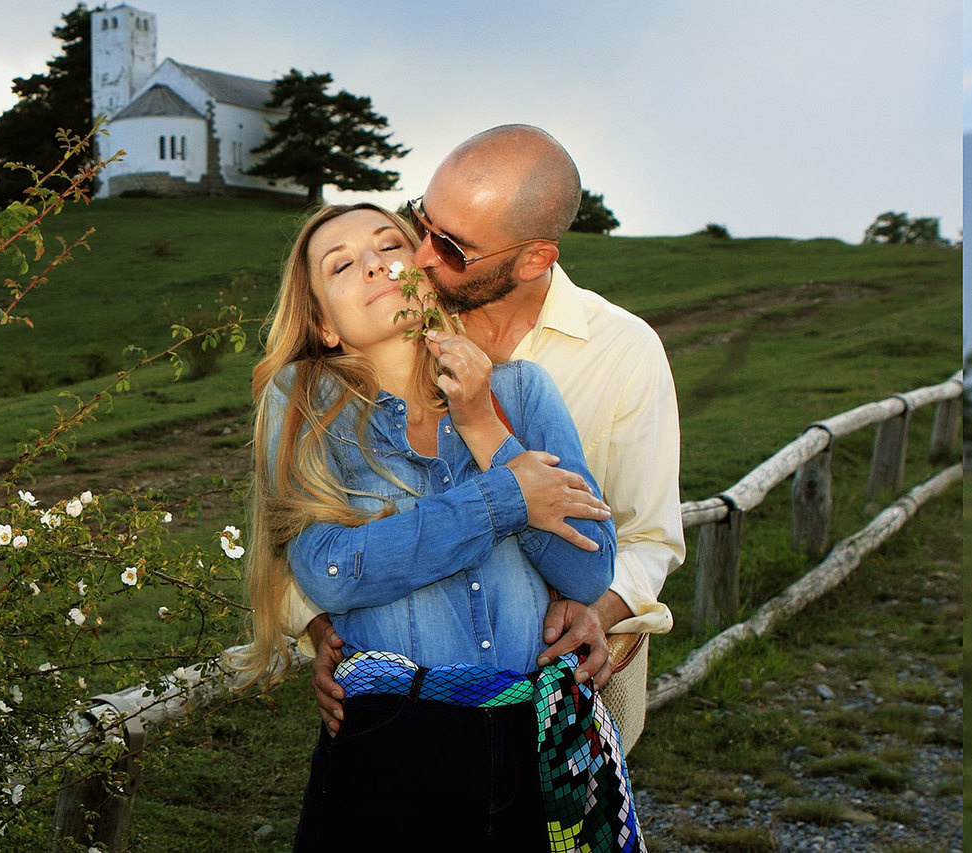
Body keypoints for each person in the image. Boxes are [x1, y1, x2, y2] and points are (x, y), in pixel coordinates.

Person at [230, 203, 639, 849]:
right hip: (389, 741)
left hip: (534, 736)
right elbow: (328, 569)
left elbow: (588, 569)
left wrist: (482, 424)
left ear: (423, 271)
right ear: (323, 324)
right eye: (341, 265)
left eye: (387, 243)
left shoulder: (525, 392)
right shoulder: (304, 401)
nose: (371, 264)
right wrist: (506, 496)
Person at [294, 125, 687, 753]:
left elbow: (650, 534)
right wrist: (325, 632)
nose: (421, 256)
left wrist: (601, 612)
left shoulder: (622, 350)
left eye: (450, 247)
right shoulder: (402, 323)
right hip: (406, 703)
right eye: (421, 222)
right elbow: (309, 527)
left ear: (533, 258)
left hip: (580, 662)